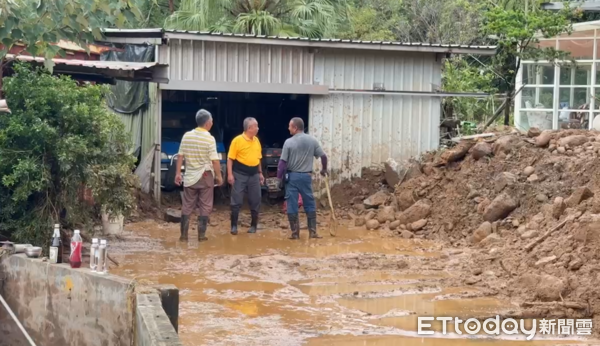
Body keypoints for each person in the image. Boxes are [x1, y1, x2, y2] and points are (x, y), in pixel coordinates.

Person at [175, 109, 223, 242]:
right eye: (212, 121)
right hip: (205, 176)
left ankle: (183, 236)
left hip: (189, 176)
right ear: (207, 123)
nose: (212, 123)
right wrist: (219, 176)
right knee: (205, 205)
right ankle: (201, 236)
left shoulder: (186, 136)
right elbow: (215, 160)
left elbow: (180, 156)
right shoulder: (209, 138)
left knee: (187, 205)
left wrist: (178, 173)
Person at [277, 117, 328, 239]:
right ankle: (313, 233)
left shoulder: (288, 142)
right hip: (306, 176)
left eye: (290, 126)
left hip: (292, 177)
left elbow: (282, 163)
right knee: (309, 203)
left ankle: (295, 234)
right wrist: (324, 169)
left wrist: (279, 179)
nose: (288, 128)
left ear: (295, 128)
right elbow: (324, 157)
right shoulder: (312, 140)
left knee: (292, 204)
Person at [227, 117, 264, 235]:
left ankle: (253, 225)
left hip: (254, 175)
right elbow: (230, 159)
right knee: (236, 200)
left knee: (255, 199)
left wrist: (260, 173)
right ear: (249, 128)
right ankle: (234, 226)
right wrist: (229, 174)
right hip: (239, 174)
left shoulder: (256, 141)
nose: (258, 128)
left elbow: (258, 158)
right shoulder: (237, 140)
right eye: (256, 126)